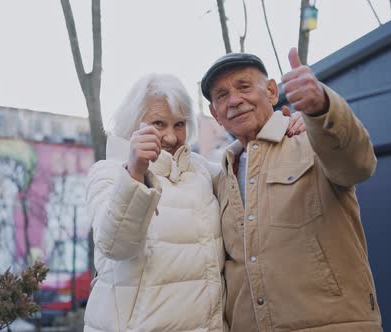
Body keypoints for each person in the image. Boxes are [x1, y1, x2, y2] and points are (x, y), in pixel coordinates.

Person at [83, 73, 304, 332]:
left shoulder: (200, 171)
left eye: (179, 124)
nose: (171, 137)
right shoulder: (109, 173)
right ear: (133, 123)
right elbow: (115, 245)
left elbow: (248, 175)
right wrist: (135, 171)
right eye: (158, 123)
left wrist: (285, 127)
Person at [201, 49, 383, 332]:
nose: (234, 100)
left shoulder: (311, 139)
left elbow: (358, 165)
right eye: (222, 95)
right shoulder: (218, 179)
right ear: (215, 114)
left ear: (272, 92)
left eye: (244, 86)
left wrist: (321, 108)